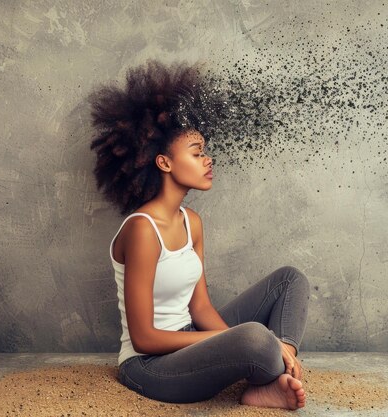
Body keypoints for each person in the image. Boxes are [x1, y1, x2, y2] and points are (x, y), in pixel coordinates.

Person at [88, 60, 310, 410]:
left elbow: (200, 306)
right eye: (197, 153)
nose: (208, 160)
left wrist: (240, 343)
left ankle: (271, 374)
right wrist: (240, 340)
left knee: (289, 281)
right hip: (149, 366)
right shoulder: (142, 230)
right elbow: (144, 338)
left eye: (205, 151)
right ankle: (268, 370)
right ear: (164, 163)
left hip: (191, 339)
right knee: (256, 336)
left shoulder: (191, 221)